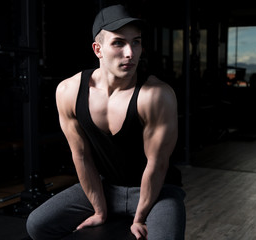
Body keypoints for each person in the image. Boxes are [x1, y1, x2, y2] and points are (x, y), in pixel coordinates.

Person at [26, 4, 186, 240]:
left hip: (158, 191)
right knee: (37, 225)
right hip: (105, 186)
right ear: (97, 49)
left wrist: (139, 218)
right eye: (119, 43)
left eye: (136, 42)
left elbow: (158, 164)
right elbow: (81, 156)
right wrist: (100, 210)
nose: (131, 53)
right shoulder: (69, 91)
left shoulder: (156, 95)